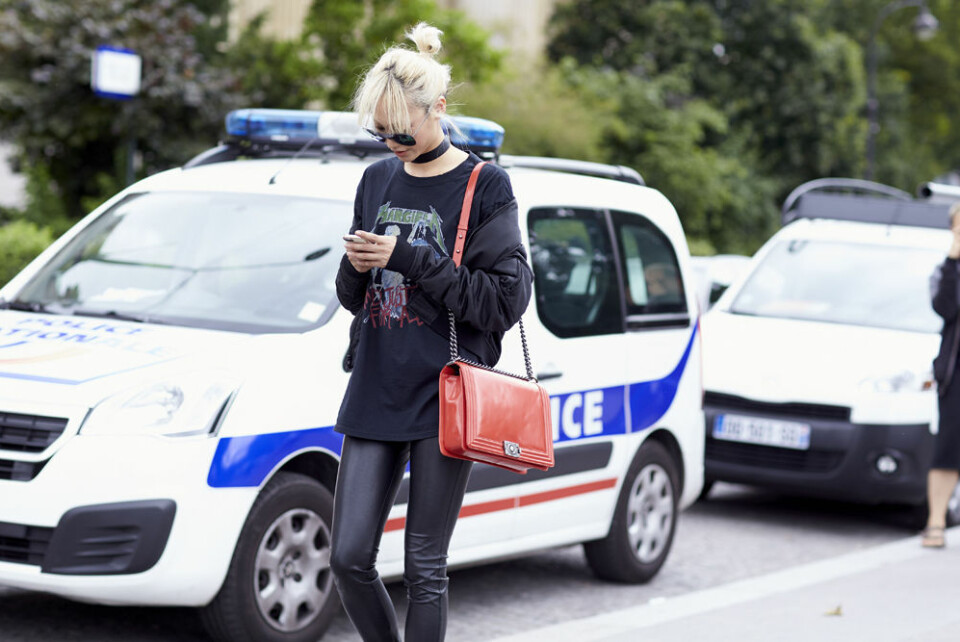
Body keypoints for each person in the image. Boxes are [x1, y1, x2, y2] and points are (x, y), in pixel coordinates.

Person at [330, 22, 533, 641]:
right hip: (376, 385)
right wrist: (356, 264)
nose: (391, 143)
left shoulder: (484, 185)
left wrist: (409, 257)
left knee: (424, 567)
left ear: (437, 108)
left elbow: (502, 303)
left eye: (401, 130)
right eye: (379, 132)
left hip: (444, 395)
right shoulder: (376, 179)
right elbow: (353, 299)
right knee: (348, 558)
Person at [925, 200, 960, 548]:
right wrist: (953, 259)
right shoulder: (947, 270)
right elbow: (944, 307)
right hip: (956, 372)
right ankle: (935, 521)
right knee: (948, 448)